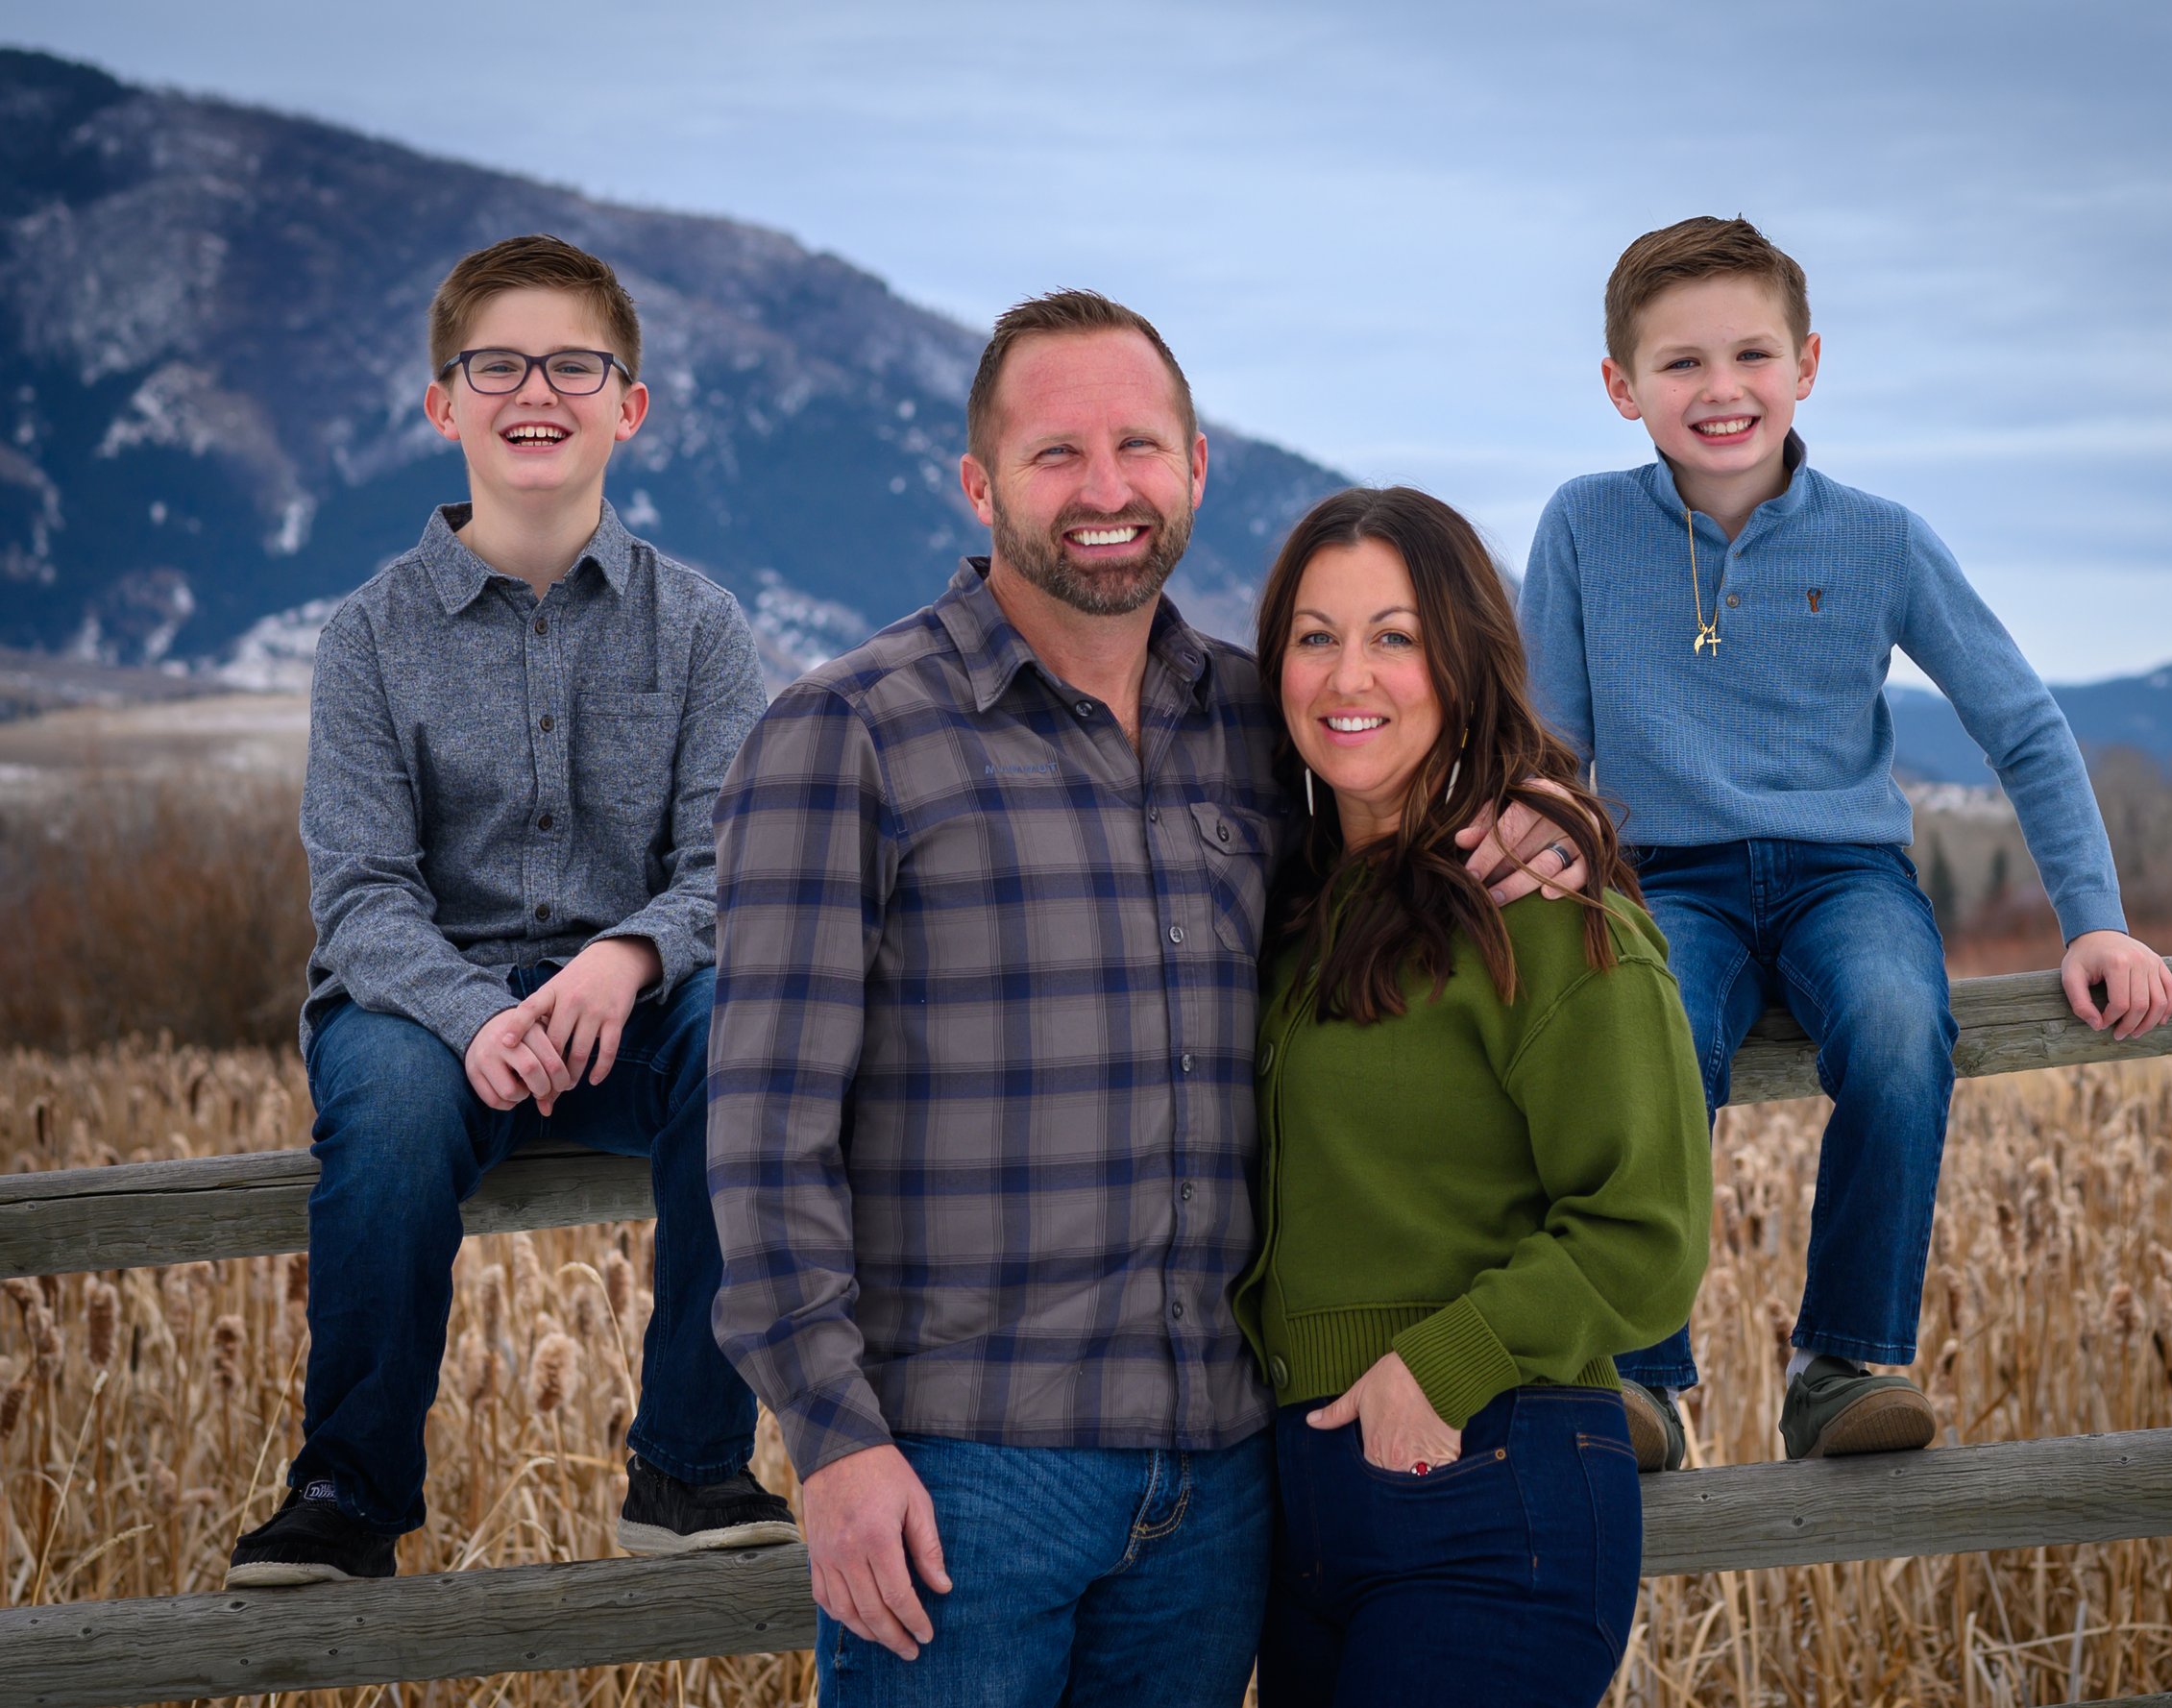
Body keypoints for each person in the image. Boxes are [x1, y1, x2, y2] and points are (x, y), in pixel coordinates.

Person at [708, 290, 1586, 1706]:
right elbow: (763, 1133)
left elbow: (1419, 810)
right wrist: (831, 1439)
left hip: (1226, 1486)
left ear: (1195, 467)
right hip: (961, 1480)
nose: (1105, 490)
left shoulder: (1264, 722)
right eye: (1058, 454)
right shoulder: (849, 735)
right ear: (978, 483)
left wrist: (1539, 810)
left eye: (1140, 446)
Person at [1519, 215, 2172, 1472]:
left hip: (1845, 876)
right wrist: (1549, 852)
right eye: (1680, 364)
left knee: (1894, 1025)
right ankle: (1640, 1370)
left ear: (1807, 366)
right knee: (1651, 1040)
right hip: (1669, 877)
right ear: (1621, 387)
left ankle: (1841, 1366)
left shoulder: (1880, 537)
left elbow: (2024, 726)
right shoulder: (1583, 527)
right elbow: (1551, 740)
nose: (1722, 389)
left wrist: (2095, 915)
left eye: (1752, 355)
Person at [229, 234, 794, 1586]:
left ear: (627, 404)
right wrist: (475, 1014)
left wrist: (631, 951)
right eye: (497, 363)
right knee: (396, 1109)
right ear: (444, 401)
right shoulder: (367, 634)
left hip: (637, 1009)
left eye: (573, 363)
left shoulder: (704, 626)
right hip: (424, 1009)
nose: (534, 388)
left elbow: (738, 863)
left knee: (758, 1033)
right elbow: (361, 892)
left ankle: (691, 1465)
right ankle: (348, 1492)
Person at [1234, 485, 1713, 1706]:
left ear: (1463, 661)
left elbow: (1645, 1227)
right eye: (1314, 634)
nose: (1351, 673)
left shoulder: (1547, 916)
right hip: (1299, 1518)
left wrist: (1443, 1363)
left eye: (1395, 635)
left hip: (1493, 1483)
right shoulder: (1289, 912)